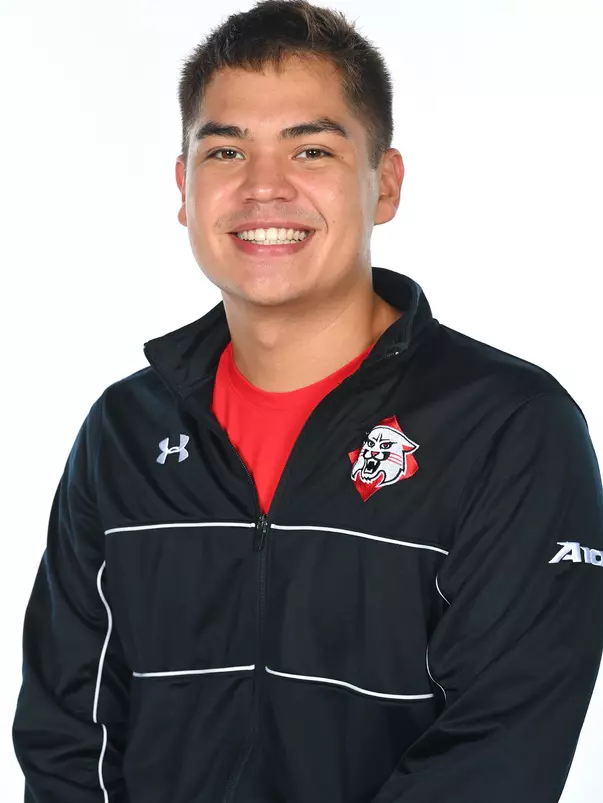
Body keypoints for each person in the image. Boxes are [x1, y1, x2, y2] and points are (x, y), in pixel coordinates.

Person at [12, 1, 603, 801]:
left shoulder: (509, 428)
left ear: (384, 183)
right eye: (226, 150)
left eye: (311, 148)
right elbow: (66, 728)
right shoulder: (124, 431)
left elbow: (498, 747)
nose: (263, 188)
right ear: (185, 187)